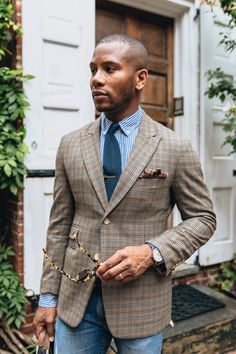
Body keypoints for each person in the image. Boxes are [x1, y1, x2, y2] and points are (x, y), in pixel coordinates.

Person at [33, 34, 216, 354]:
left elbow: (203, 219)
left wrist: (151, 252)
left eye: (109, 69)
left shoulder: (175, 146)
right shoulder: (70, 145)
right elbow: (59, 225)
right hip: (76, 305)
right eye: (93, 70)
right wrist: (48, 298)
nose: (96, 80)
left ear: (140, 78)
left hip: (142, 305)